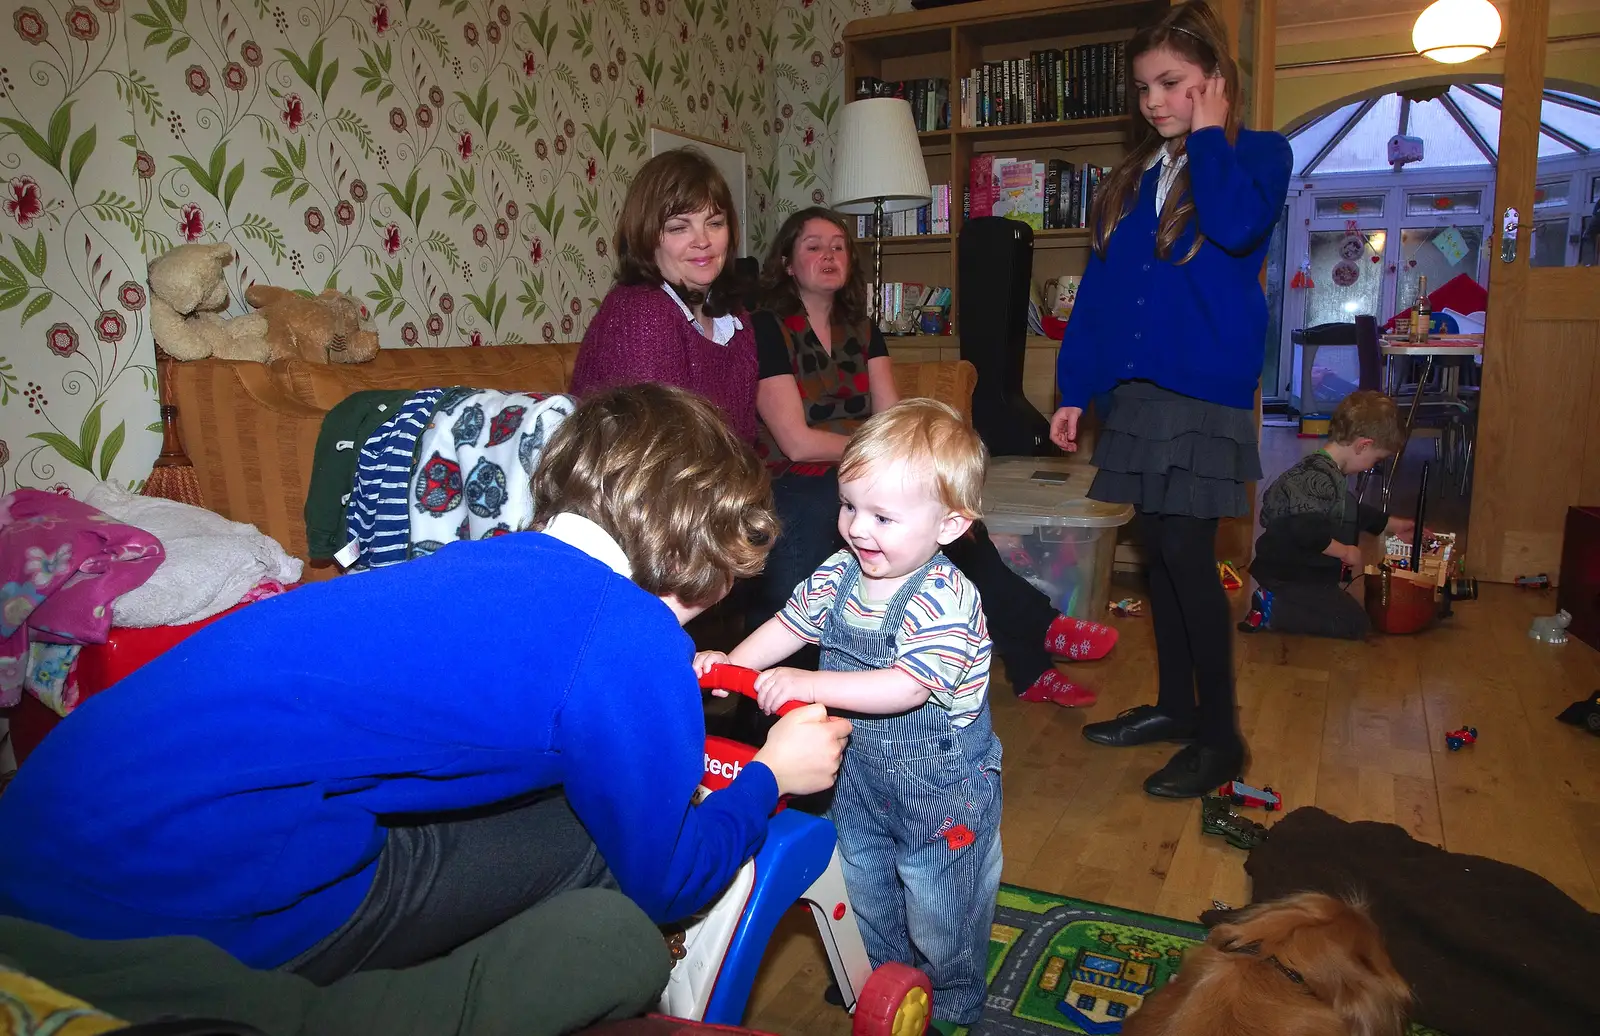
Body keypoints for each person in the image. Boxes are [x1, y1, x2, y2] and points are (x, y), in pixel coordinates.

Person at [0, 385, 852, 991]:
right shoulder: (628, 643)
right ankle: (655, 974)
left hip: (45, 828)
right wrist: (774, 772)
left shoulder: (482, 560)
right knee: (600, 849)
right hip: (157, 901)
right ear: (709, 559)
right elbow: (668, 877)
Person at [695, 399, 1002, 1035]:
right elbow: (787, 626)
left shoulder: (947, 597)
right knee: (860, 881)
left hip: (942, 790)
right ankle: (879, 975)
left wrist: (807, 681)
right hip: (855, 767)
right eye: (849, 506)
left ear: (949, 525)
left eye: (883, 516)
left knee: (937, 902)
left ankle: (953, 996)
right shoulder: (840, 573)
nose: (858, 528)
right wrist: (731, 668)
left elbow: (906, 687)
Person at [1049, 0, 1292, 798]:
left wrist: (1214, 135)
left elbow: (1233, 228)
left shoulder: (1256, 156)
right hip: (1137, 394)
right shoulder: (1134, 177)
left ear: (1215, 83)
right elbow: (1098, 296)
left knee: (1189, 555)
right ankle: (1176, 708)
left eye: (1173, 82)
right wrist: (1076, 389)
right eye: (1144, 87)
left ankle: (1222, 739)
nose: (1154, 101)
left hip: (1202, 392)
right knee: (1157, 555)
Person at [751, 206, 1117, 708]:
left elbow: (894, 416)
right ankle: (1038, 632)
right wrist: (881, 458)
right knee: (838, 514)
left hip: (870, 463)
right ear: (788, 262)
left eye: (838, 245)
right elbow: (796, 440)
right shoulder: (766, 327)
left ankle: (1032, 659)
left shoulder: (862, 325)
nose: (829, 254)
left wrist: (905, 459)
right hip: (797, 474)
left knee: (949, 515)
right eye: (813, 245)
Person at [572, 147, 758, 443]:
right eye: (679, 227)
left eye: (714, 223)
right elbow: (657, 462)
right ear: (646, 237)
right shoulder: (641, 314)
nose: (703, 241)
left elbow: (745, 442)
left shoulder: (734, 319)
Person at [1239, 390, 1413, 639]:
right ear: (1363, 445)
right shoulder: (1318, 478)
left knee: (1346, 613)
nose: (1372, 466)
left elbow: (1351, 510)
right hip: (1288, 574)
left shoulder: (1326, 469)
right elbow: (1305, 529)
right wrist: (1345, 551)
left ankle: (1285, 600)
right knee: (1353, 624)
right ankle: (1272, 609)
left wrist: (1392, 524)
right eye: (1376, 460)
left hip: (1300, 572)